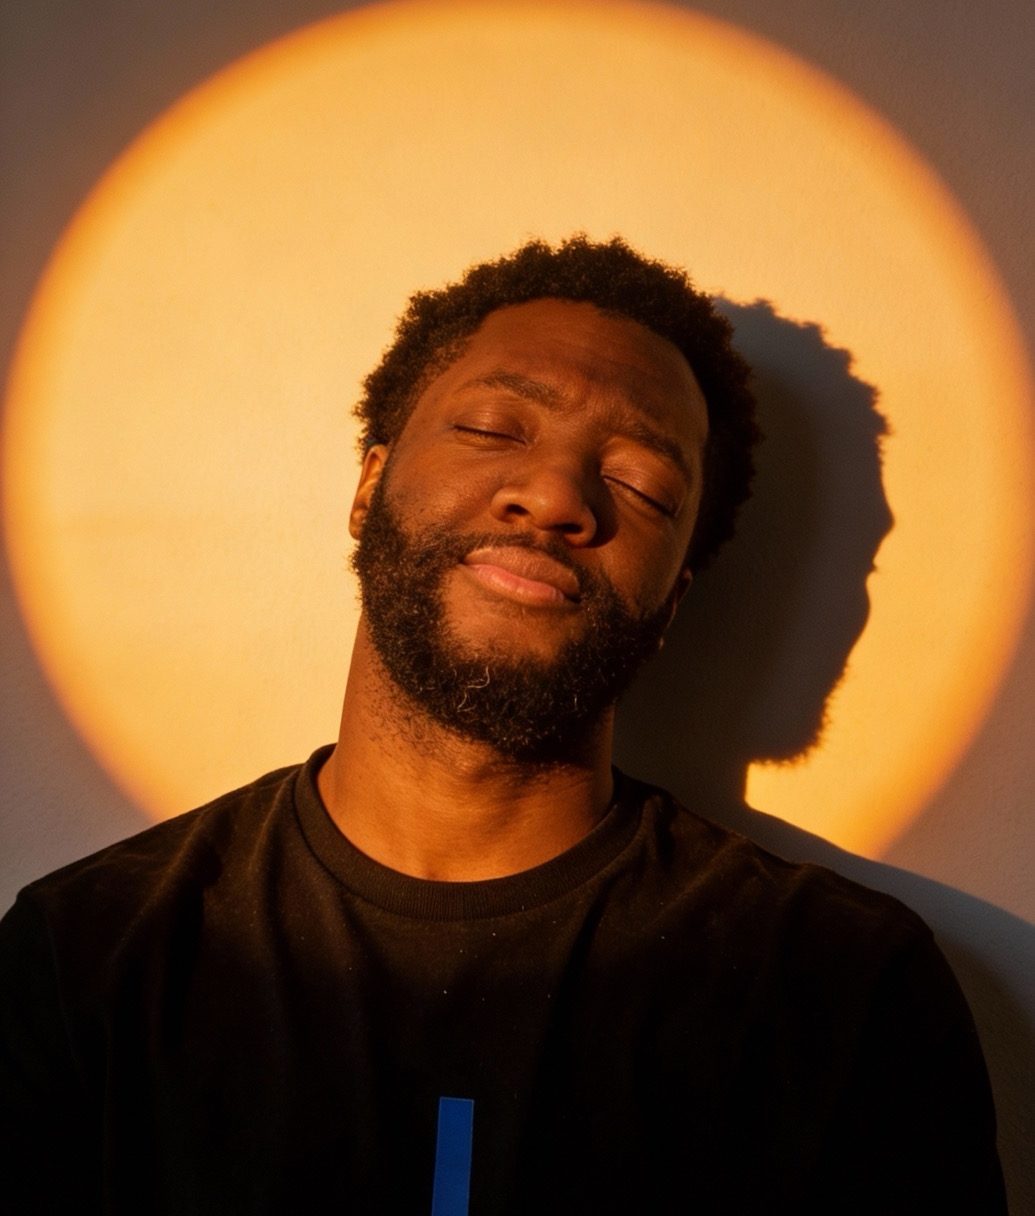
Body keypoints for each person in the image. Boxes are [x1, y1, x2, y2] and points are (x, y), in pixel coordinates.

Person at [0, 236, 1005, 1214]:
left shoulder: (839, 990)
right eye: (493, 428)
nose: (556, 496)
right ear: (369, 483)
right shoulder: (89, 956)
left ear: (674, 597)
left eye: (642, 485)